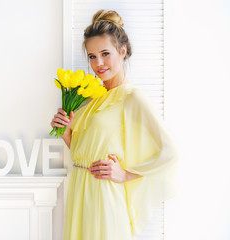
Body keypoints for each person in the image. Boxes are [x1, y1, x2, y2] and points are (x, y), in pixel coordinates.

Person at [51, 9, 179, 240]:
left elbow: (170, 152)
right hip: (80, 190)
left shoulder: (132, 98)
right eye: (91, 56)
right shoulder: (92, 98)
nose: (98, 63)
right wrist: (66, 130)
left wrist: (125, 174)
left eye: (105, 53)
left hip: (105, 196)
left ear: (123, 51)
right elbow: (81, 154)